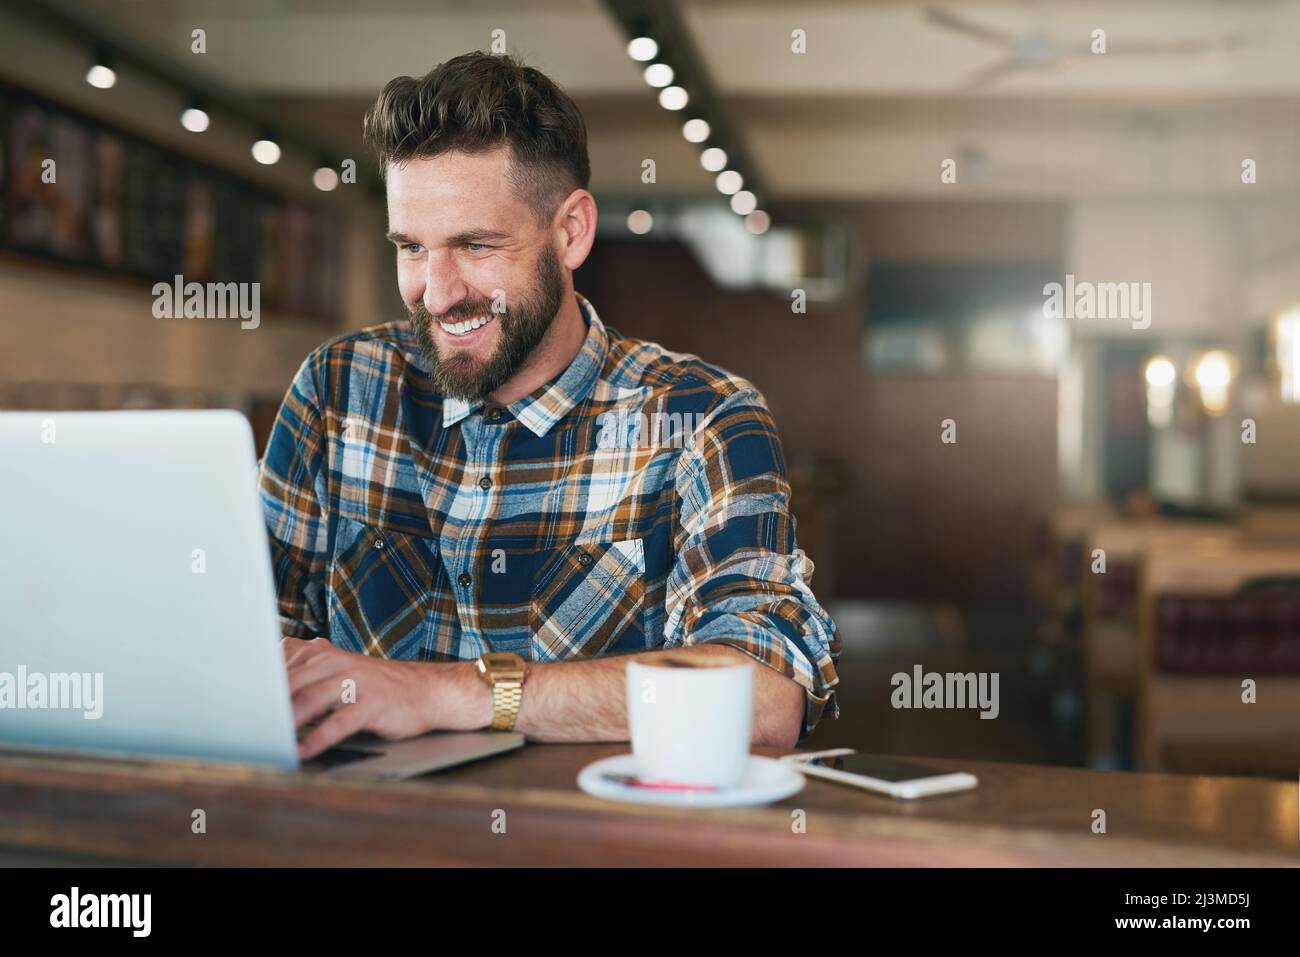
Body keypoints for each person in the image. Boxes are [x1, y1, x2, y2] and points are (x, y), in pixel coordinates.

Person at [258, 51, 840, 760]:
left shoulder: (703, 419)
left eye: (474, 244)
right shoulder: (338, 390)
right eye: (412, 248)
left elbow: (763, 695)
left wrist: (447, 692)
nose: (436, 294)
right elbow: (243, 646)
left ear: (570, 232)